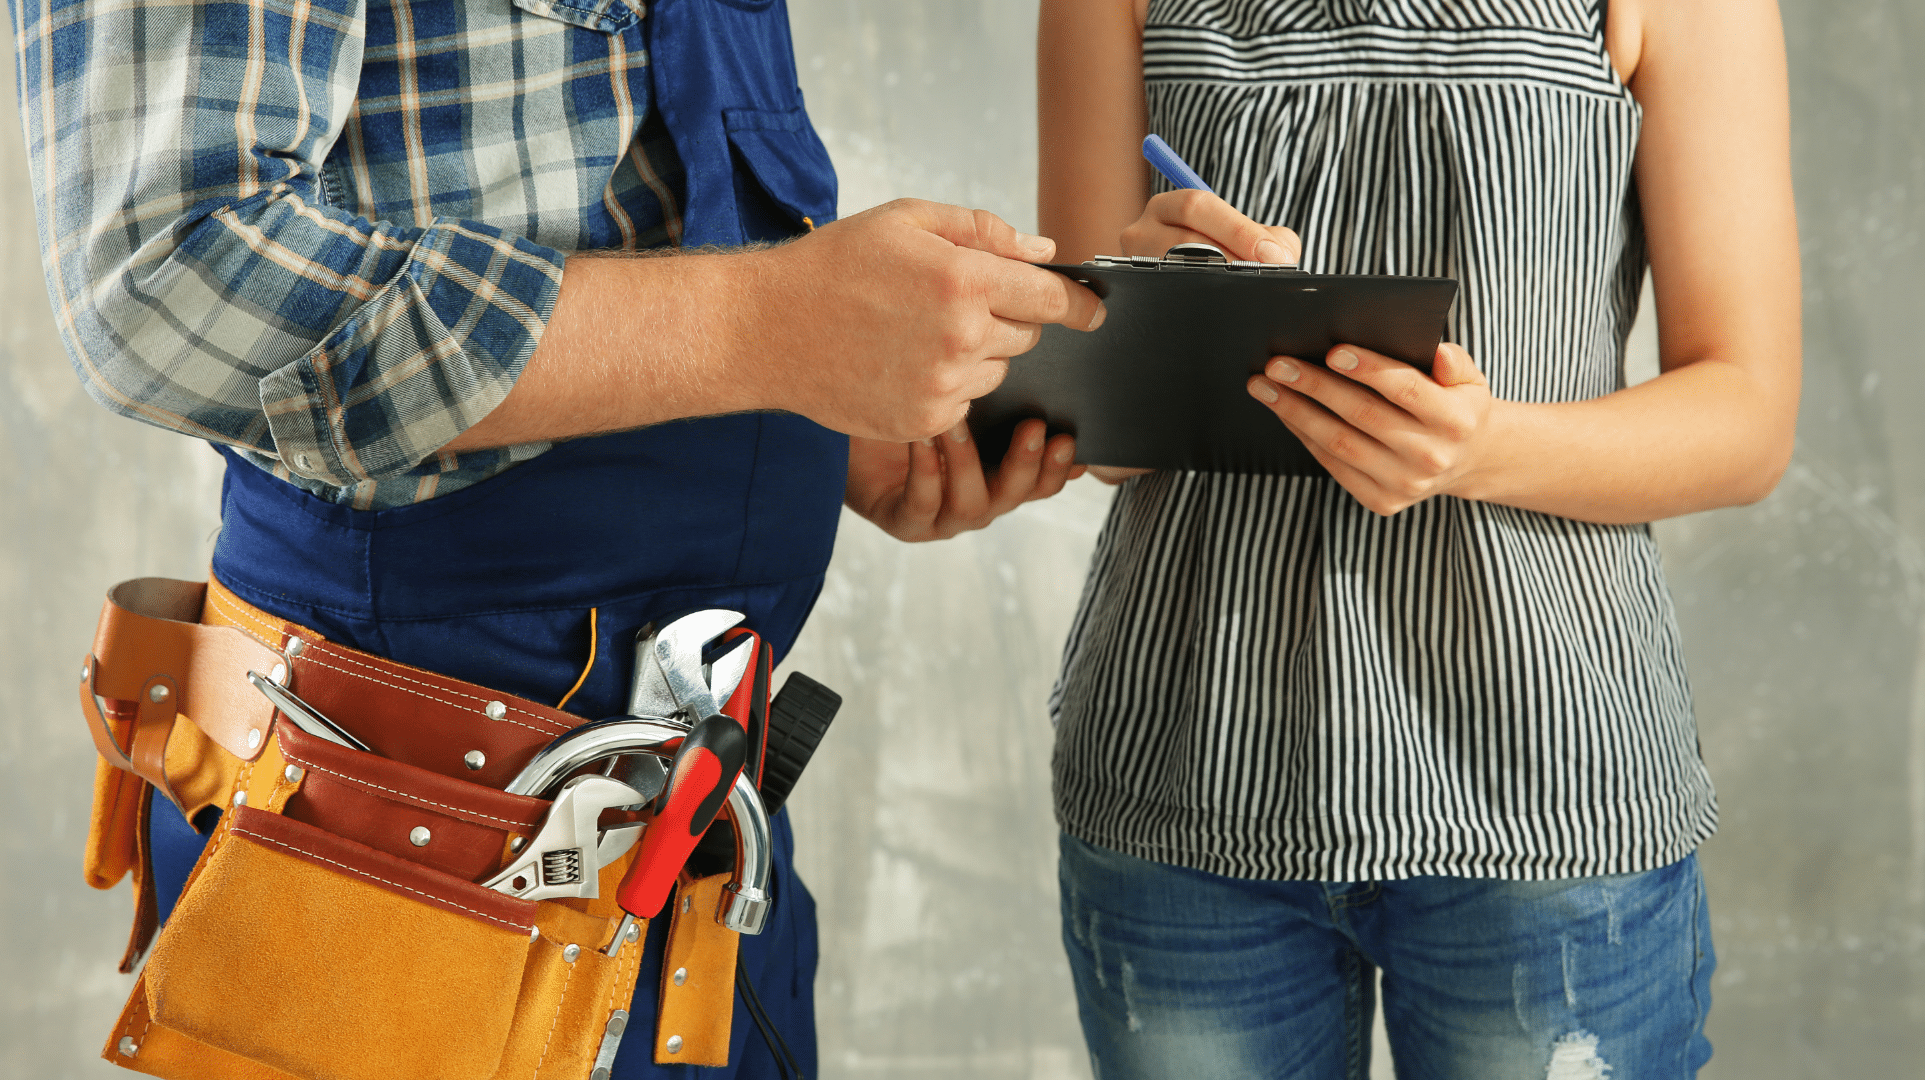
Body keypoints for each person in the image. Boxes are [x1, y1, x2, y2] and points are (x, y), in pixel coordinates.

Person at [8, 0, 1095, 1075]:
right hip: (388, 857)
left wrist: (811, 410)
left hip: (701, 852)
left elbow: (639, 202)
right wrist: (773, 326)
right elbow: (166, 284)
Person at [1037, 0, 1799, 1076]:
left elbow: (1746, 419)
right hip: (1183, 770)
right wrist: (1146, 307)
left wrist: (1482, 451)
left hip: (1546, 790)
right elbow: (1092, 433)